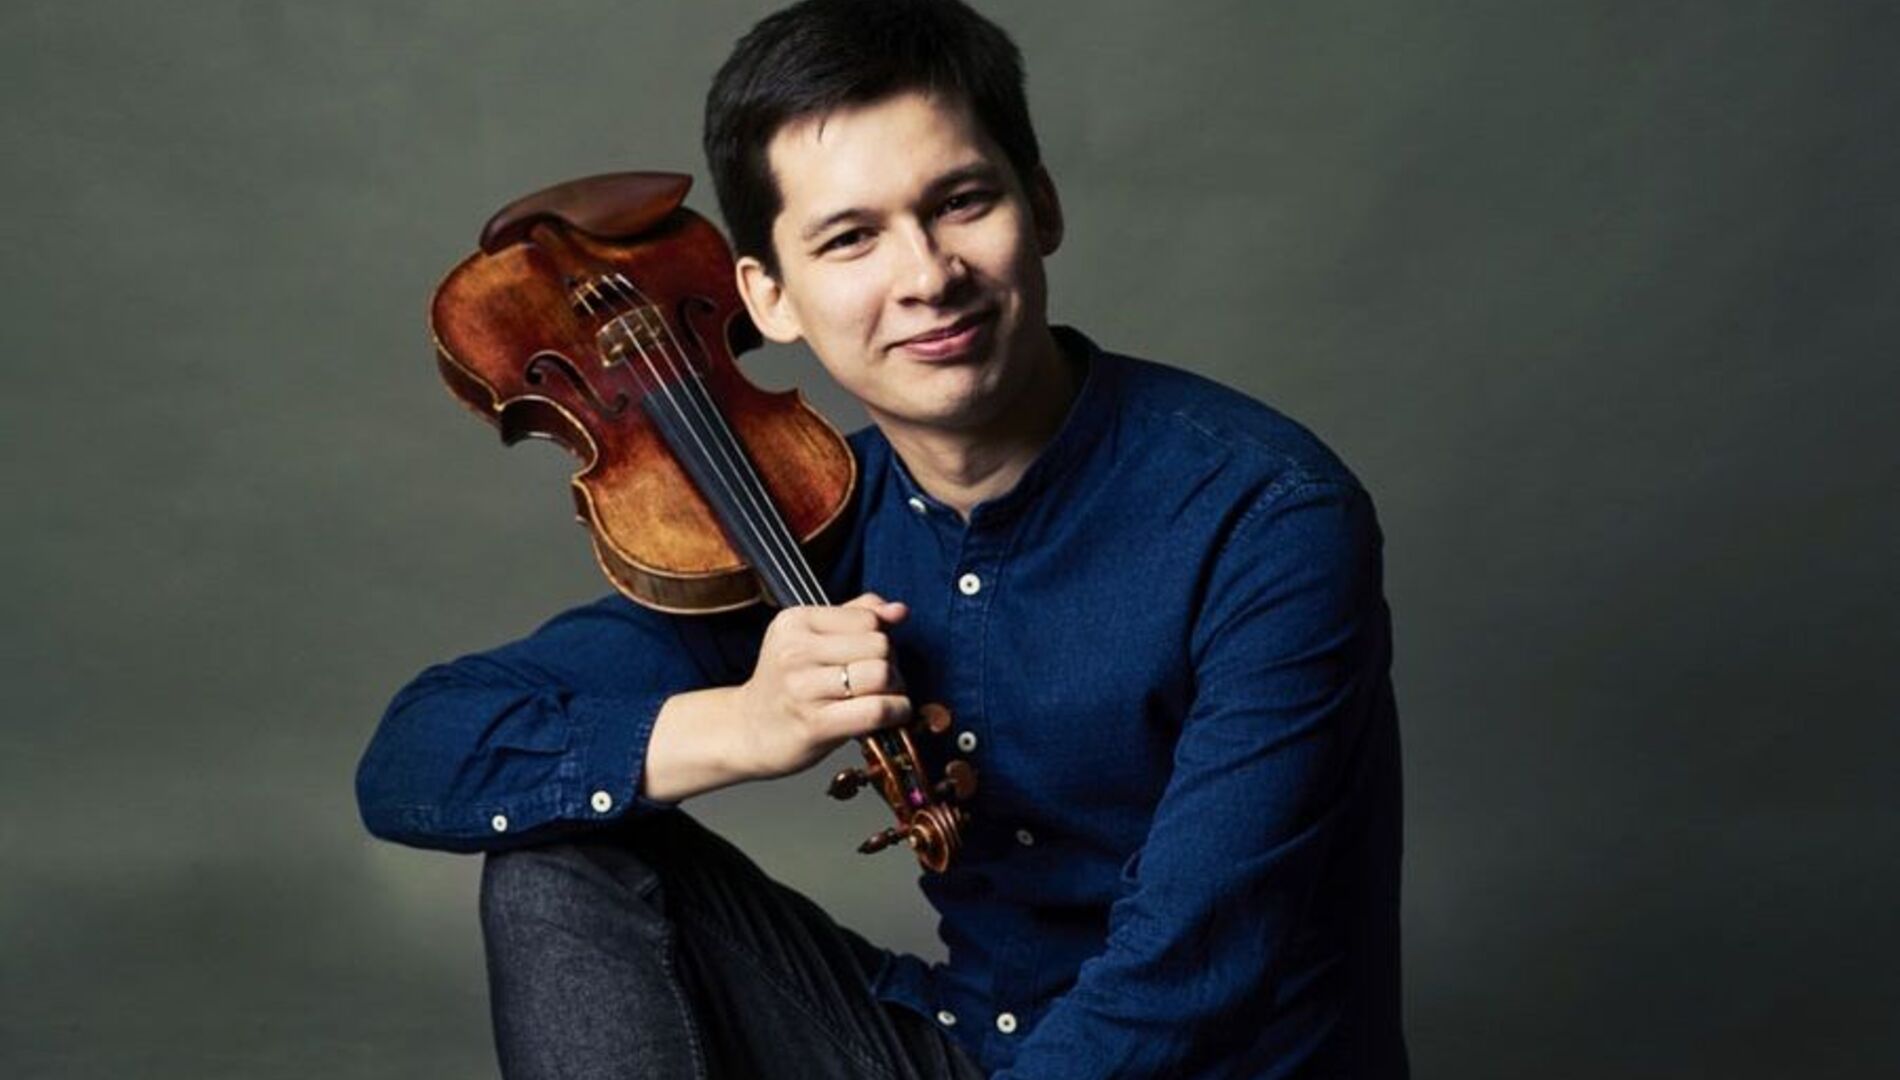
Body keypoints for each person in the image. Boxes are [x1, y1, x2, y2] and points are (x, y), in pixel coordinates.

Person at [355, 0, 1407, 1076]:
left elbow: (1186, 976)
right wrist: (744, 724)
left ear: (1041, 205)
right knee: (557, 859)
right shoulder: (815, 517)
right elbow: (417, 757)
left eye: (960, 203)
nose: (926, 276)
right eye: (850, 238)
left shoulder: (1267, 517)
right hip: (972, 1048)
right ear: (768, 298)